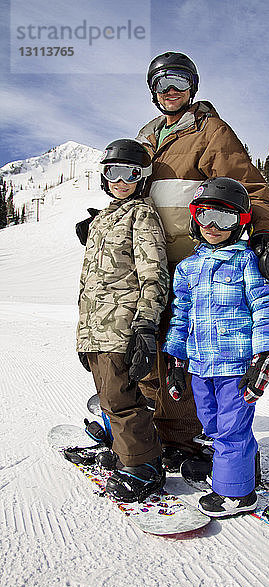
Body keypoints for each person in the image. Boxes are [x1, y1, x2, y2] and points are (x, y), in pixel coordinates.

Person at [134, 51, 269, 471]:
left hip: (192, 259)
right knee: (148, 345)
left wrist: (266, 233)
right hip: (148, 261)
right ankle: (151, 425)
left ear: (193, 86)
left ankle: (181, 437)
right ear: (152, 92)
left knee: (182, 350)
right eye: (162, 84)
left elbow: (249, 187)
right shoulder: (148, 138)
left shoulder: (209, 132)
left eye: (179, 81)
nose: (170, 91)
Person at [163, 178, 269, 517]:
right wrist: (175, 360)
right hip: (200, 366)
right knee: (210, 423)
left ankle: (237, 494)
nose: (213, 227)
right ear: (194, 218)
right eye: (205, 216)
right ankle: (240, 464)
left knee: (232, 428)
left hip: (235, 364)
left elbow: (266, 308)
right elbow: (181, 316)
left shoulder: (247, 262)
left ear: (241, 224)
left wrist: (264, 357)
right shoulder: (187, 268)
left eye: (225, 219)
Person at [76, 139, 170, 503]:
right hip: (94, 325)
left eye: (129, 173)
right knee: (107, 395)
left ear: (142, 176)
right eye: (111, 172)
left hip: (121, 323)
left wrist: (146, 323)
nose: (119, 180)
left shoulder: (141, 214)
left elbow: (153, 272)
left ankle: (144, 466)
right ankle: (125, 450)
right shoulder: (102, 217)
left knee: (120, 398)